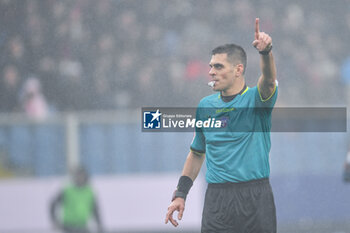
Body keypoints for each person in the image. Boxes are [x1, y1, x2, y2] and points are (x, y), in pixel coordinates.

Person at [165, 18, 278, 233]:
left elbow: (269, 80)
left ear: (238, 69)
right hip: (218, 199)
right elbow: (197, 153)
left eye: (218, 66)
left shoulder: (257, 99)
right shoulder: (205, 106)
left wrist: (266, 52)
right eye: (210, 67)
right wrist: (181, 193)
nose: (211, 72)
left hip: (255, 197)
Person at [50, 166, 103, 233]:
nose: (80, 178)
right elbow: (53, 204)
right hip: (68, 226)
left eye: (82, 175)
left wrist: (100, 225)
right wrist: (54, 220)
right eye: (78, 175)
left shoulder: (89, 192)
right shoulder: (68, 190)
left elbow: (95, 210)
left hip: (82, 226)